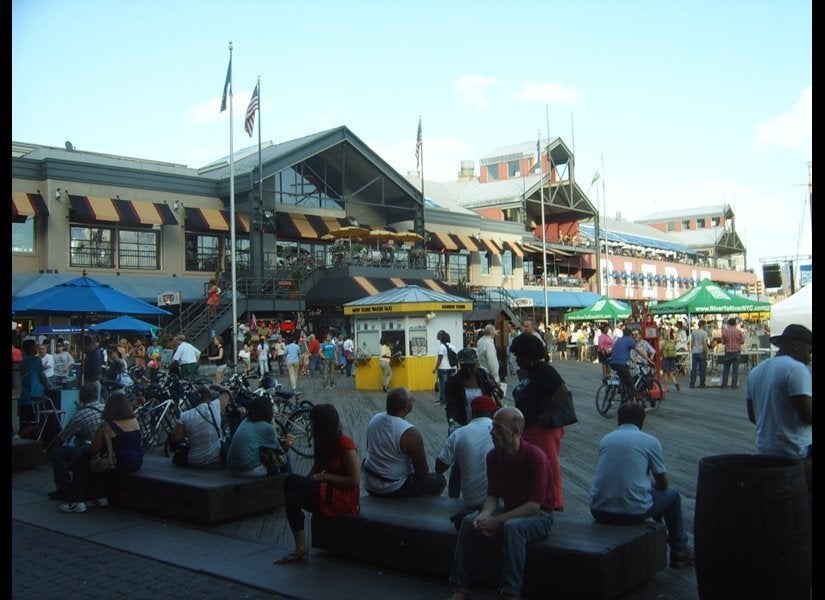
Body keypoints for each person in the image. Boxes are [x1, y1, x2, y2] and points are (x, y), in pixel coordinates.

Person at [447, 406, 553, 600]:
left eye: (498, 429)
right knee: (470, 522)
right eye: (492, 428)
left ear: (516, 431)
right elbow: (493, 497)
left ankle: (510, 592)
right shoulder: (494, 457)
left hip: (539, 515)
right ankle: (460, 586)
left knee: (513, 528)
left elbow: (534, 506)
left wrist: (499, 520)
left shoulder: (536, 458)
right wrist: (484, 515)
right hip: (511, 509)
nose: (492, 433)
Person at [589, 402, 694, 568]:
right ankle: (680, 550)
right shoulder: (649, 441)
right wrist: (650, 484)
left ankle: (661, 533)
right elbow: (663, 484)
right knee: (672, 496)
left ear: (619, 420)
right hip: (631, 512)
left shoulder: (606, 440)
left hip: (599, 510)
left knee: (651, 493)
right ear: (642, 421)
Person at [275, 403, 361, 565]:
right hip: (326, 492)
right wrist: (306, 484)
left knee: (290, 481)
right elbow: (316, 468)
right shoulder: (324, 442)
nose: (311, 426)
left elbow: (355, 480)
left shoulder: (345, 444)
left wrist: (324, 477)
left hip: (343, 497)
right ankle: (300, 547)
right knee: (292, 495)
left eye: (313, 422)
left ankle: (301, 548)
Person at [746, 324, 812, 498]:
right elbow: (808, 416)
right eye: (809, 351)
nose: (809, 358)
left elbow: (753, 416)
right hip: (796, 452)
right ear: (797, 346)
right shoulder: (796, 368)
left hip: (764, 451)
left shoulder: (756, 371)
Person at [509, 332, 571, 511]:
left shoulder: (544, 370)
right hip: (531, 428)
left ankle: (554, 502)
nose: (516, 359)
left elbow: (563, 390)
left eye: (518, 355)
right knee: (536, 465)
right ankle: (539, 498)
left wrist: (545, 415)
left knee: (548, 465)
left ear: (526, 354)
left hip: (543, 430)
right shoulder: (531, 372)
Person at [60, 390, 144, 513]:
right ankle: (98, 497)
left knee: (81, 461)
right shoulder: (134, 421)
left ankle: (77, 500)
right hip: (136, 461)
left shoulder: (106, 425)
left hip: (117, 462)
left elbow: (94, 449)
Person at [362, 387, 446, 497]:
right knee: (439, 480)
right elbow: (422, 470)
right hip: (393, 487)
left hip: (371, 483)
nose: (413, 400)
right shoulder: (409, 433)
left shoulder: (375, 419)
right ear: (407, 407)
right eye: (412, 399)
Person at [443, 347, 503, 498]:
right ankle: (453, 497)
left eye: (472, 366)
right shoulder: (453, 382)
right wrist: (453, 423)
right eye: (465, 366)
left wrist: (493, 387)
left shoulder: (483, 376)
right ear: (459, 365)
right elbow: (450, 405)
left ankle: (490, 494)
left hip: (486, 424)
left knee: (488, 458)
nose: (469, 370)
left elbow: (499, 393)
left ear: (476, 364)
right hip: (464, 424)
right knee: (459, 463)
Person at [435, 395, 497, 513]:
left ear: (472, 412)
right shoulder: (502, 432)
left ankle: (452, 499)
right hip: (498, 503)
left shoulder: (458, 433)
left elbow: (439, 467)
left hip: (472, 502)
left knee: (459, 461)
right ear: (493, 413)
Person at [44, 383, 104, 500]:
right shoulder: (105, 408)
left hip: (90, 452)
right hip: (105, 450)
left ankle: (63, 488)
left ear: (81, 397)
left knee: (58, 453)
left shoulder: (80, 415)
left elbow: (61, 438)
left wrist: (47, 451)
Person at [168, 384, 231, 468]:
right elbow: (227, 393)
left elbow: (176, 437)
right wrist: (214, 385)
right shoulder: (215, 407)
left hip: (195, 461)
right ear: (209, 398)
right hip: (215, 458)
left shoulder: (185, 416)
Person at [225, 394, 282, 478]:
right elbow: (278, 448)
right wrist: (272, 422)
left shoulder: (245, 421)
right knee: (282, 460)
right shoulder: (266, 427)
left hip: (232, 467)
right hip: (247, 469)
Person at [18, 338, 52, 438]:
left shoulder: (23, 361)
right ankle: (17, 437)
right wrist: (48, 385)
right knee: (35, 424)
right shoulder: (36, 359)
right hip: (35, 397)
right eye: (34, 346)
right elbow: (41, 375)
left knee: (26, 423)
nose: (36, 348)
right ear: (30, 348)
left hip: (24, 397)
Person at [609, 325, 651, 402]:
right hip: (621, 364)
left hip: (612, 363)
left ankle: (622, 393)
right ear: (630, 335)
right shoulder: (629, 340)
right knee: (630, 384)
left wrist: (633, 360)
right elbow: (639, 351)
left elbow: (624, 353)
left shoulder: (618, 340)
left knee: (624, 379)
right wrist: (650, 361)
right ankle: (634, 403)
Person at [432, 330, 458, 406]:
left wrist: (435, 368)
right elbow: (455, 358)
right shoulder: (453, 346)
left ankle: (443, 400)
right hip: (452, 368)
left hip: (443, 368)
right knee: (451, 385)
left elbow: (440, 359)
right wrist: (458, 367)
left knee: (443, 385)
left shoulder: (441, 347)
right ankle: (451, 400)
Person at [719, 317, 745, 389]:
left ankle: (724, 384)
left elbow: (723, 342)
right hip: (736, 352)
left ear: (728, 323)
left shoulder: (725, 331)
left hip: (728, 352)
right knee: (735, 369)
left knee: (726, 369)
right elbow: (742, 342)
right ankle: (734, 385)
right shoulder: (739, 332)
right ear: (735, 323)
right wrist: (737, 342)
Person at [689, 319, 710, 388]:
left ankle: (692, 383)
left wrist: (692, 349)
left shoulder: (694, 332)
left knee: (694, 368)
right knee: (702, 369)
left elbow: (692, 342)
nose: (705, 326)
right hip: (701, 352)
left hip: (694, 352)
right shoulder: (705, 333)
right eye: (705, 325)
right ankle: (702, 383)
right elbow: (705, 344)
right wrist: (706, 353)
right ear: (702, 325)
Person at [82, 336, 104, 402]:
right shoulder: (89, 354)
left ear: (90, 345)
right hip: (90, 383)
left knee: (93, 403)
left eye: (85, 347)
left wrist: (87, 382)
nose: (84, 349)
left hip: (93, 384)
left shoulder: (95, 355)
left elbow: (98, 376)